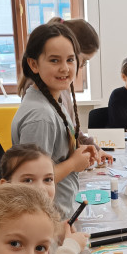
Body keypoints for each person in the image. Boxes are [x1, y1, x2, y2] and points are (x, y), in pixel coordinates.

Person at [11, 22, 97, 217]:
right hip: (49, 221)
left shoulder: (53, 99)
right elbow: (30, 186)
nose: (65, 68)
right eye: (54, 60)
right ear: (34, 64)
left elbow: (54, 157)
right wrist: (73, 164)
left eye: (70, 59)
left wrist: (77, 153)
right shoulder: (41, 117)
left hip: (60, 214)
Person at [0, 144, 88, 254]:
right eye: (28, 180)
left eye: (48, 179)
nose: (41, 188)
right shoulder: (21, 226)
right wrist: (72, 246)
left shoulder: (25, 215)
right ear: (5, 186)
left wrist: (56, 233)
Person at [47, 17, 113, 165]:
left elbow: (72, 130)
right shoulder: (41, 109)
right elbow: (40, 173)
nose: (80, 67)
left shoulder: (62, 89)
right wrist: (72, 164)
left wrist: (94, 149)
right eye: (81, 61)